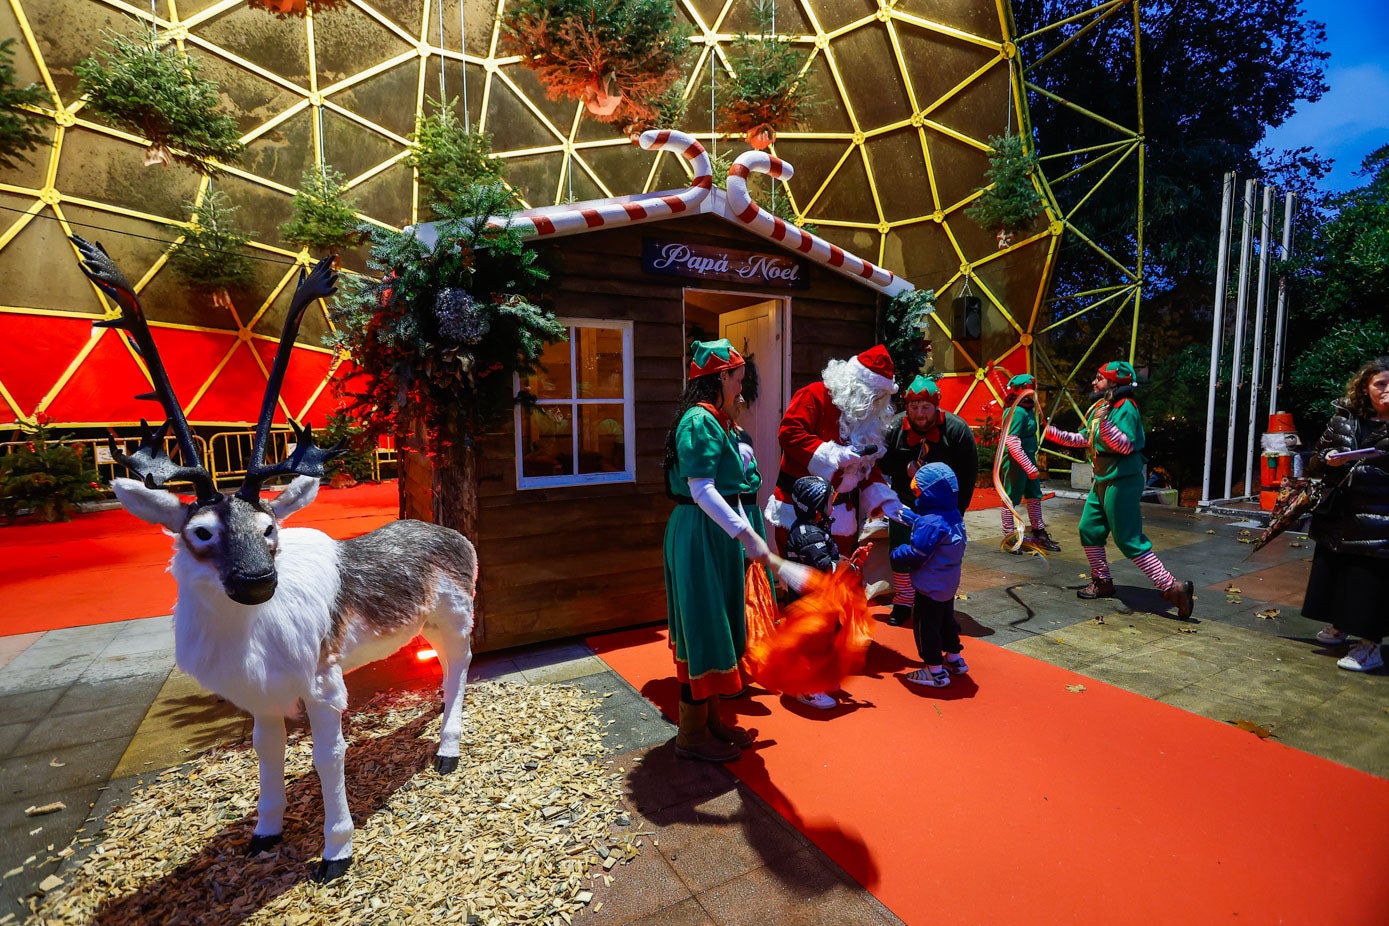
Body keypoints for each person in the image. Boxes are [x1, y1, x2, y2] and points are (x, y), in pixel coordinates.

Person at [763, 345, 907, 707]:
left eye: (882, 397)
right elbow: (789, 433)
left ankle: (819, 661)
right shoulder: (814, 396)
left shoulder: (867, 419)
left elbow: (868, 465)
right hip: (800, 513)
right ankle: (800, 673)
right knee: (811, 597)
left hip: (841, 516)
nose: (876, 403)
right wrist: (830, 453)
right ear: (856, 385)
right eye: (873, 394)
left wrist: (886, 500)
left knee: (831, 596)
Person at [662, 339, 771, 761]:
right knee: (703, 626)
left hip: (714, 535)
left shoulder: (718, 420)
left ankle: (710, 722)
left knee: (718, 622)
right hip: (699, 534)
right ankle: (691, 737)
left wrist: (744, 534)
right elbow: (702, 490)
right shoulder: (699, 422)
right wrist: (746, 535)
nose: (741, 388)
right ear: (720, 377)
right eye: (738, 379)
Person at [1042, 361, 1194, 617]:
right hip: (1102, 478)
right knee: (1088, 529)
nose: (1094, 382)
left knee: (1128, 539)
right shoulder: (1102, 407)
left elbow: (1124, 445)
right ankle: (1102, 581)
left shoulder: (1126, 408)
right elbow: (1085, 439)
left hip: (1122, 480)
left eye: (1099, 379)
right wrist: (1052, 433)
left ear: (1113, 383)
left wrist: (1105, 425)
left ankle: (1172, 587)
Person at [1300, 357, 1389, 672]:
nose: (1387, 391)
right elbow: (1314, 460)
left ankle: (1370, 645)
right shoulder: (1344, 418)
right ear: (1365, 386)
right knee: (1336, 572)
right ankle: (1340, 626)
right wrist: (1329, 458)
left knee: (1369, 581)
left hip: (1379, 517)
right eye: (1380, 384)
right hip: (1339, 511)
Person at [879, 375, 977, 625]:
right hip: (904, 500)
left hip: (943, 508)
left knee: (940, 553)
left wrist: (959, 512)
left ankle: (940, 602)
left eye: (925, 407)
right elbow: (881, 463)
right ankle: (903, 600)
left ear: (936, 406)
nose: (920, 413)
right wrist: (905, 469)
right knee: (900, 551)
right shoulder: (893, 429)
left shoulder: (957, 430)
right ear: (907, 407)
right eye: (914, 407)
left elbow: (968, 474)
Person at [890, 463, 969, 687]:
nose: (916, 495)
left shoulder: (930, 523)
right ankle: (955, 659)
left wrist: (897, 553)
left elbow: (917, 553)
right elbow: (935, 528)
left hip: (929, 586)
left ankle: (934, 671)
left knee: (926, 627)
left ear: (930, 494)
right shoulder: (952, 515)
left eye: (919, 492)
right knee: (946, 621)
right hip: (947, 584)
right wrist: (910, 517)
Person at [997, 373, 1061, 553]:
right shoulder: (1016, 411)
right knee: (1010, 498)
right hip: (1016, 461)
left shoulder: (1026, 409)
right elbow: (1012, 441)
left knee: (1034, 495)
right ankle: (1009, 536)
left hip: (1028, 458)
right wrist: (1029, 466)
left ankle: (1039, 532)